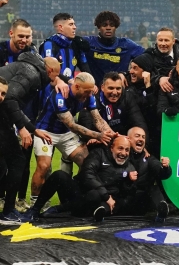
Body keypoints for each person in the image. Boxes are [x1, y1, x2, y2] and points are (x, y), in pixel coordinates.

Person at [31, 72, 116, 209]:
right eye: (87, 91)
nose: (89, 94)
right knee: (44, 166)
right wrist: (98, 135)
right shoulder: (60, 95)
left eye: (91, 91)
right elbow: (72, 125)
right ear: (76, 86)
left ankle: (76, 196)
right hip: (46, 131)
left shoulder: (88, 96)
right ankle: (35, 203)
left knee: (87, 162)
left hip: (65, 134)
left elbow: (97, 119)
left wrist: (111, 134)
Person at [23, 137, 137, 222]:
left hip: (93, 203)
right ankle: (35, 210)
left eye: (127, 150)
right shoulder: (98, 154)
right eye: (120, 148)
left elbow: (126, 194)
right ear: (111, 147)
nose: (123, 153)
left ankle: (59, 209)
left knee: (95, 195)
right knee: (59, 175)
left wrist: (129, 182)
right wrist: (106, 195)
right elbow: (87, 174)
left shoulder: (130, 167)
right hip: (79, 193)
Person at [0, 77, 51, 223]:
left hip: (5, 135)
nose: (1, 97)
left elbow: (18, 113)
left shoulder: (6, 103)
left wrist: (34, 130)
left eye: (3, 94)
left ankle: (9, 209)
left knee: (17, 161)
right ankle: (8, 209)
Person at [78, 72, 148, 137]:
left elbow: (139, 123)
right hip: (101, 140)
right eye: (111, 88)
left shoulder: (127, 98)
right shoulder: (93, 100)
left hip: (123, 140)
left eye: (118, 88)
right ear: (102, 87)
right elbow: (86, 124)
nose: (114, 92)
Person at [83, 11, 144, 86]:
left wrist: (126, 74)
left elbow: (147, 57)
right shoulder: (88, 43)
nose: (108, 28)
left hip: (118, 90)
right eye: (104, 25)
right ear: (99, 27)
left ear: (116, 27)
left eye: (112, 25)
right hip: (95, 90)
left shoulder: (126, 45)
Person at [123, 127, 171, 221]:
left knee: (153, 187)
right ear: (128, 139)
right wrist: (127, 176)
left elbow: (161, 172)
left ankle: (162, 210)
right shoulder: (120, 154)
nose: (141, 139)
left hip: (140, 201)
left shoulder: (148, 158)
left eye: (143, 137)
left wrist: (165, 167)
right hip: (123, 198)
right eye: (137, 136)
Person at [137, 27, 179, 94]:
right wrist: (159, 79)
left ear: (173, 41)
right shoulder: (150, 55)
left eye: (166, 40)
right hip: (159, 95)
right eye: (160, 40)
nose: (163, 44)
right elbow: (143, 73)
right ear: (156, 40)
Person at [40, 13, 91, 80]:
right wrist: (68, 81)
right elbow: (49, 70)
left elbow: (85, 68)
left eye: (74, 24)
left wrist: (92, 83)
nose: (74, 27)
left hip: (71, 88)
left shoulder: (76, 45)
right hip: (53, 88)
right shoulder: (49, 44)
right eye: (71, 24)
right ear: (61, 27)